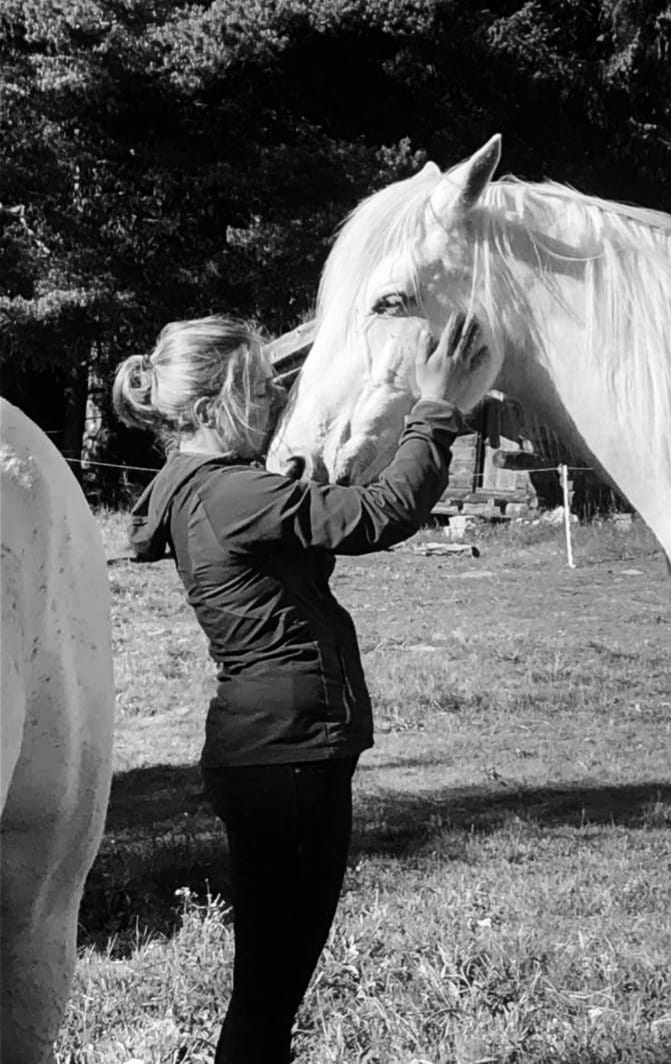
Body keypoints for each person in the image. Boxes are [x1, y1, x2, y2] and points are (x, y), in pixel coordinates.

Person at [112, 311, 485, 1063]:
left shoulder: (200, 490)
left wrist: (303, 486)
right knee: (268, 996)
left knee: (269, 987)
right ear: (216, 406)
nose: (275, 401)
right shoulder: (231, 494)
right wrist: (436, 409)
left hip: (271, 754)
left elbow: (285, 569)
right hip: (289, 759)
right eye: (260, 388)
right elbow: (382, 515)